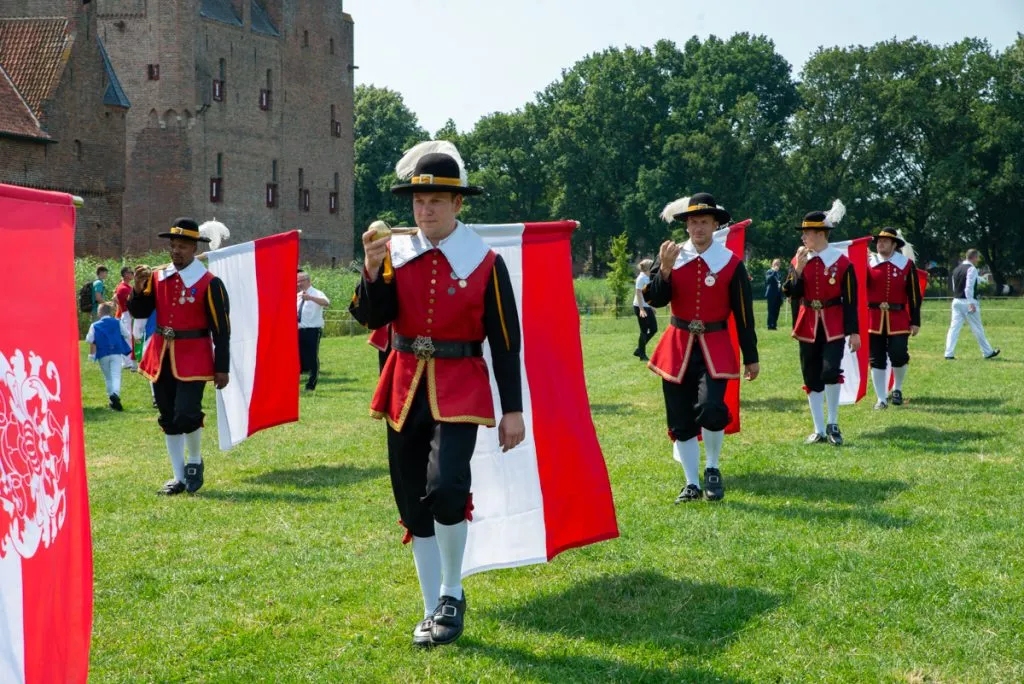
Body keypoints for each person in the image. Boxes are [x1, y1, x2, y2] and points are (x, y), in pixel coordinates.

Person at [349, 140, 525, 648]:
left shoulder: (487, 263)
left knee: (447, 486)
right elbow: (371, 316)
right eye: (418, 202)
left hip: (460, 386)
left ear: (458, 205)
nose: (424, 211)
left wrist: (512, 409)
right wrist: (369, 267)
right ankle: (431, 608)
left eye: (436, 202)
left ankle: (452, 591)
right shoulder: (394, 254)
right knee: (411, 503)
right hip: (403, 385)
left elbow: (505, 341)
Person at [644, 192, 758, 503]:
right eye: (693, 222)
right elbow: (654, 299)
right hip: (677, 346)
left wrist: (752, 356)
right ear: (686, 226)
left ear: (715, 225)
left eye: (704, 222)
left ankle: (713, 468)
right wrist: (664, 271)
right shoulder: (670, 256)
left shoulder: (730, 264)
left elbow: (744, 313)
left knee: (711, 408)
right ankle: (692, 484)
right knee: (680, 419)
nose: (698, 228)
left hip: (716, 344)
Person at [128, 218, 231, 495]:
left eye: (182, 246)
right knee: (168, 415)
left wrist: (222, 367)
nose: (176, 251)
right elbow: (140, 312)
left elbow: (221, 330)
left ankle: (195, 461)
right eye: (173, 246)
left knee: (187, 412)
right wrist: (137, 291)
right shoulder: (157, 276)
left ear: (194, 248)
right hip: (160, 354)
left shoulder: (210, 283)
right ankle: (178, 476)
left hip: (194, 356)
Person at [782, 200, 859, 446]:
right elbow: (790, 292)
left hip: (834, 323)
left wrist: (853, 331)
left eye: (807, 233)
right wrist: (799, 269)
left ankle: (833, 423)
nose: (804, 237)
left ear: (821, 233)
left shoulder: (842, 262)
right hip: (807, 324)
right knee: (811, 376)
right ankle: (818, 429)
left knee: (830, 371)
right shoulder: (799, 260)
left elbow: (850, 300)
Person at [867, 228, 922, 409]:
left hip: (898, 317)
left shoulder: (905, 265)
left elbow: (914, 295)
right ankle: (881, 398)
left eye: (884, 241)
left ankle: (897, 388)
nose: (880, 243)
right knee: (876, 358)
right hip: (874, 318)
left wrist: (915, 321)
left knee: (898, 354)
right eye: (878, 241)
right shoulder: (869, 264)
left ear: (894, 244)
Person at [944, 248, 1000, 360]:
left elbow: (955, 287)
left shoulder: (956, 269)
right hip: (967, 302)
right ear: (974, 257)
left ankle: (948, 353)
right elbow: (968, 287)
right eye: (977, 257)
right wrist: (970, 302)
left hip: (956, 301)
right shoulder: (972, 269)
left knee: (953, 328)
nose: (978, 259)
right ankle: (987, 352)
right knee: (977, 328)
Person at [86, 302, 131, 411]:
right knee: (116, 375)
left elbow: (89, 339)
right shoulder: (117, 322)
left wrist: (92, 354)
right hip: (116, 352)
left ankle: (111, 399)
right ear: (110, 312)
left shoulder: (95, 325)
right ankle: (115, 394)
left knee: (108, 377)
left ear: (100, 312)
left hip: (103, 353)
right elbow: (127, 334)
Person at [297, 269, 330, 391]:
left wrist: (310, 298)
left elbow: (326, 303)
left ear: (308, 280)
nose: (298, 284)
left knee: (312, 357)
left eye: (300, 281)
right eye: (297, 282)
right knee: (297, 357)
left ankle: (311, 385)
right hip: (298, 331)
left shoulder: (317, 293)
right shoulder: (297, 296)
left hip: (312, 331)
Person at [632, 258, 657, 361]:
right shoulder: (641, 278)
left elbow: (646, 294)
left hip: (647, 307)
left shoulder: (648, 277)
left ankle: (639, 349)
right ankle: (642, 355)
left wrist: (651, 306)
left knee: (654, 329)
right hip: (639, 307)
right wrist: (642, 309)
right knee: (644, 330)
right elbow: (638, 293)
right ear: (648, 268)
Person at [113, 266, 137, 370]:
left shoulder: (125, 286)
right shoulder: (123, 288)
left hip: (127, 314)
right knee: (128, 338)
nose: (132, 274)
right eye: (130, 272)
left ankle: (127, 361)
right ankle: (127, 362)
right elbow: (128, 303)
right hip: (128, 314)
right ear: (125, 275)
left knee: (128, 337)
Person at [764, 258, 784, 330]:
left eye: (778, 264)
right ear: (772, 264)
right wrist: (773, 272)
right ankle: (769, 325)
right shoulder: (769, 271)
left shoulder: (779, 273)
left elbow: (780, 284)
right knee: (771, 310)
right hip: (771, 294)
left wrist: (782, 296)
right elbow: (768, 280)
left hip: (778, 295)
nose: (777, 265)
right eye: (776, 263)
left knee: (776, 310)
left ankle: (774, 325)